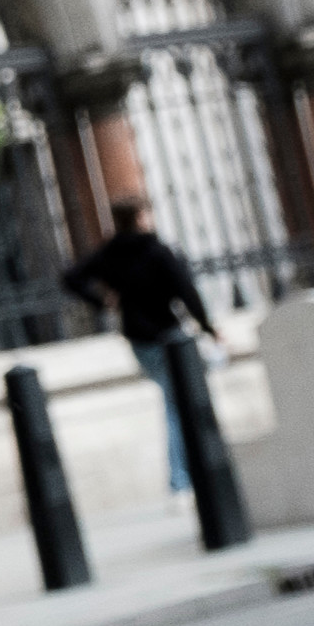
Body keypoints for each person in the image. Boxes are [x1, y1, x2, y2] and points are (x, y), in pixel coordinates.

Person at [60, 197, 220, 493]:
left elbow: (70, 278)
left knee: (176, 398)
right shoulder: (156, 250)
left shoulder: (110, 253)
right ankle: (182, 476)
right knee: (178, 403)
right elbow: (187, 291)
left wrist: (102, 301)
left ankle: (191, 469)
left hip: (137, 338)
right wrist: (208, 327)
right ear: (140, 218)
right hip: (170, 336)